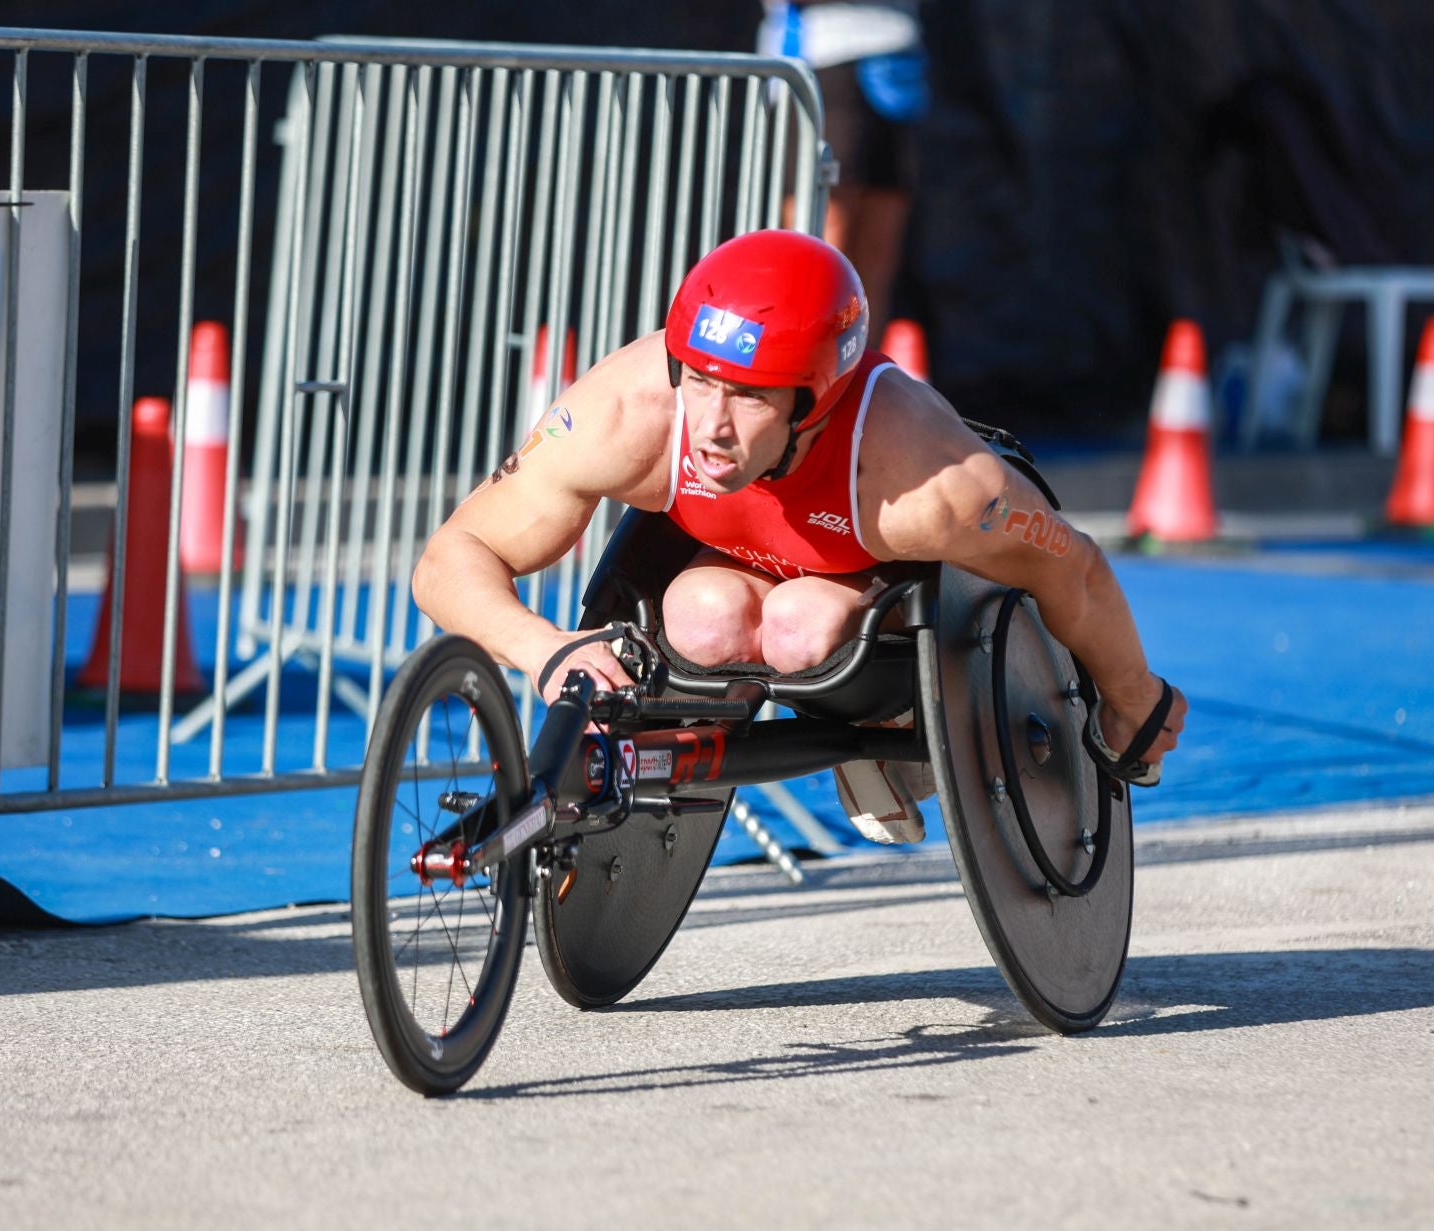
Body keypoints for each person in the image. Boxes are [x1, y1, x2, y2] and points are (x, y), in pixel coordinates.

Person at [413, 230, 1185, 843]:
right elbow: (449, 560)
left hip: (864, 587)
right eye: (703, 380)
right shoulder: (627, 416)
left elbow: (1072, 570)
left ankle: (878, 725)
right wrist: (545, 647)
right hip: (728, 571)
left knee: (800, 625)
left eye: (748, 399)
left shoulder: (927, 479)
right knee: (700, 614)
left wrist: (1132, 700)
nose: (711, 428)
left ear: (813, 402)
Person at [760, 0, 926, 336]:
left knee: (880, 244)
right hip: (821, 60)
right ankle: (801, 360)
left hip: (901, 67)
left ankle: (857, 373)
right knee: (821, 237)